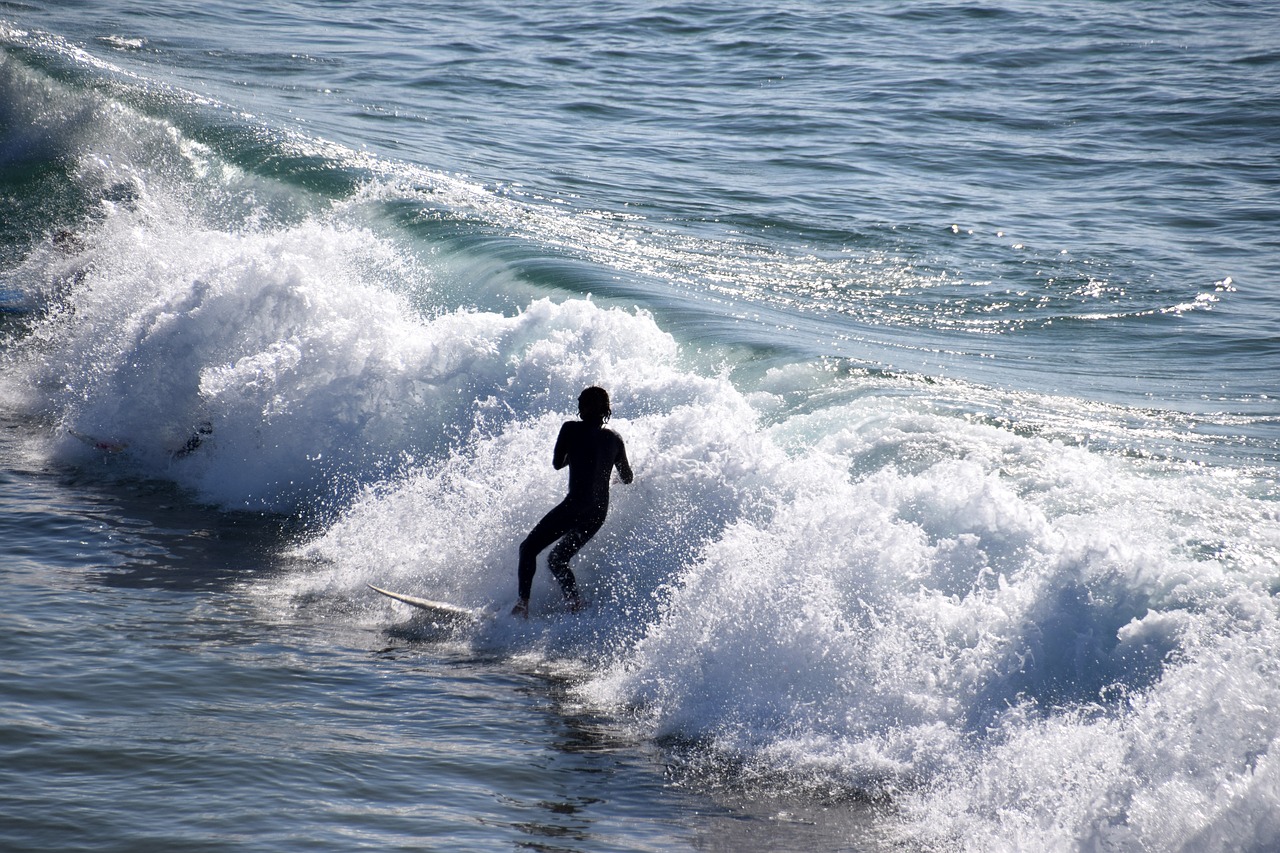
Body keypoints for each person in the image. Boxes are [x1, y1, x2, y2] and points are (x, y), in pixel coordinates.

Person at [513, 386, 633, 617]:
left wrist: (576, 455)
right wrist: (606, 473)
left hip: (575, 506)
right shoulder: (615, 439)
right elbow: (627, 478)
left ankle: (522, 605)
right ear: (605, 409)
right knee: (558, 560)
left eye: (581, 402)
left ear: (583, 407)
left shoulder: (570, 429)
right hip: (598, 513)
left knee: (528, 549)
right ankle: (574, 603)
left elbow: (558, 463)